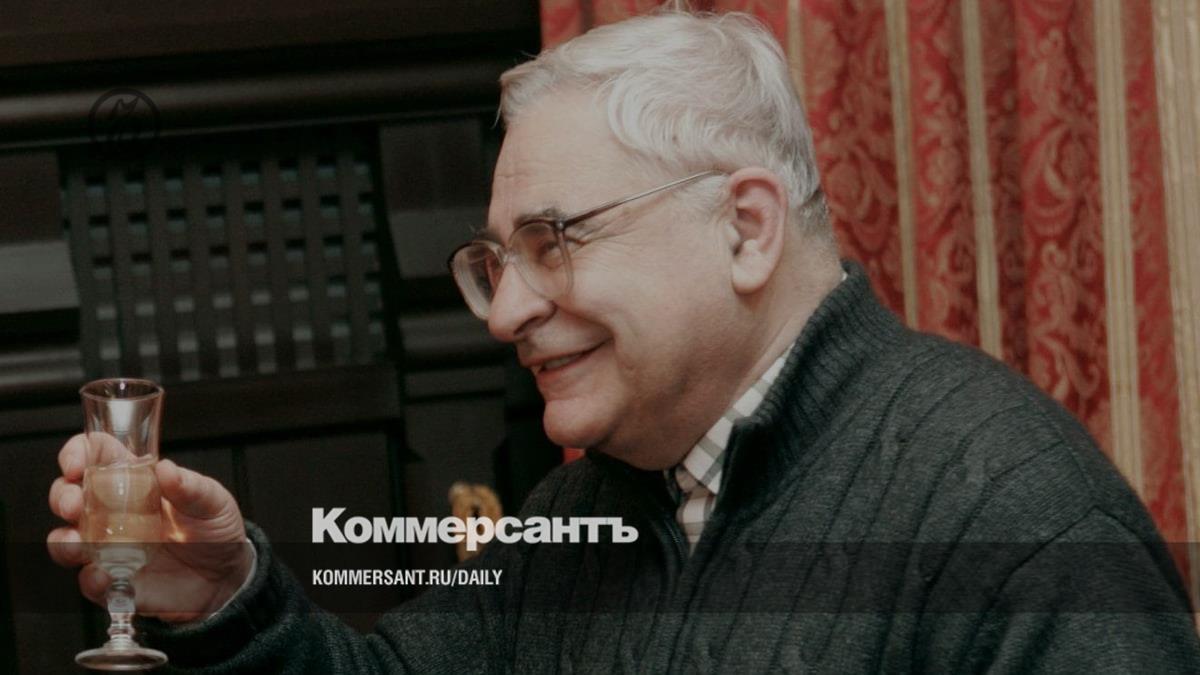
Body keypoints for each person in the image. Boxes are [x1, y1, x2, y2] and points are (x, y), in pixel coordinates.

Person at [47, 9, 1200, 672]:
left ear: (746, 228)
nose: (505, 312)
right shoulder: (588, 508)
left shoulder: (1012, 517)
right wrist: (230, 595)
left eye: (555, 240)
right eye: (495, 262)